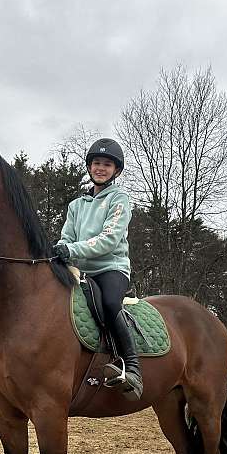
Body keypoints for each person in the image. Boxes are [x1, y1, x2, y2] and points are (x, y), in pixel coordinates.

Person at [52, 138, 143, 400]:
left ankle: (133, 368)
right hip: (80, 270)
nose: (100, 168)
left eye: (106, 164)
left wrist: (72, 250)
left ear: (116, 170)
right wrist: (60, 249)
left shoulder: (119, 199)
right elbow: (66, 236)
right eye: (96, 163)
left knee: (111, 304)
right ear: (89, 167)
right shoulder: (76, 205)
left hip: (110, 267)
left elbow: (109, 239)